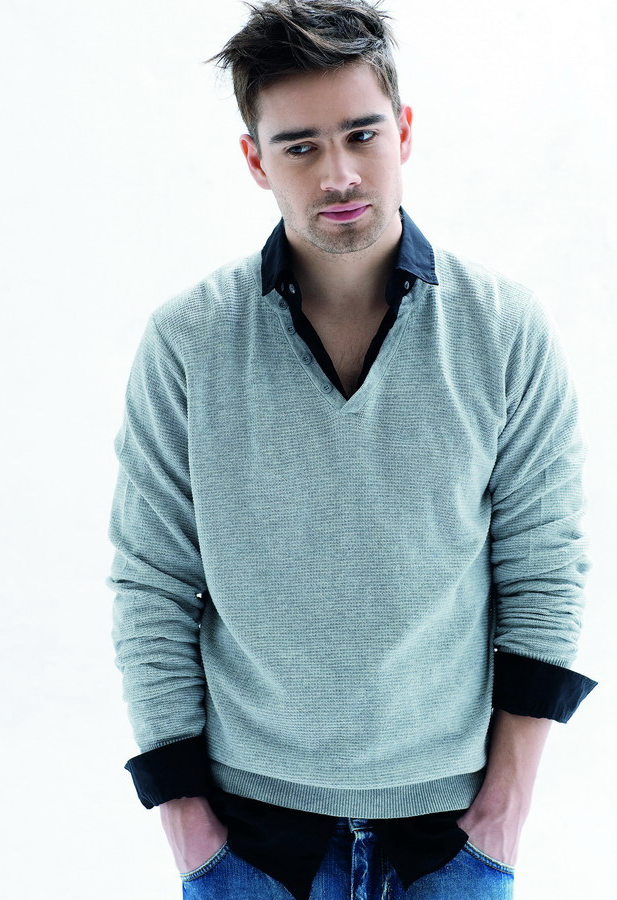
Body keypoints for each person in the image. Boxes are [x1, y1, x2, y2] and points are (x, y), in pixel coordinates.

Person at [105, 2, 598, 897]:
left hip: (452, 836)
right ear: (255, 161)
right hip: (247, 839)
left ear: (402, 132)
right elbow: (152, 581)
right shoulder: (189, 340)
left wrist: (506, 806)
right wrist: (185, 820)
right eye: (299, 147)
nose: (338, 174)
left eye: (361, 135)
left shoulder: (501, 328)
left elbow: (542, 566)